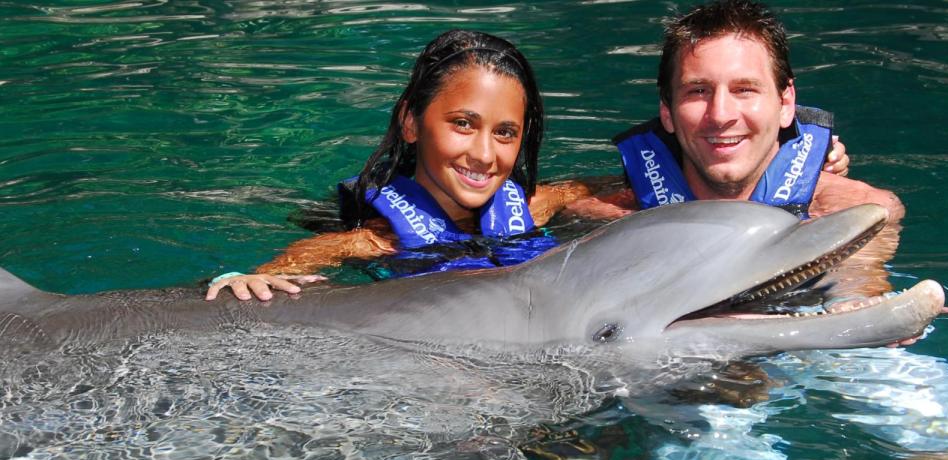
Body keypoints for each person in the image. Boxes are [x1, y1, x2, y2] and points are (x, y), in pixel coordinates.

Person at [207, 22, 849, 301]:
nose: (484, 155)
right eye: (462, 124)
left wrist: (798, 158)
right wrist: (249, 275)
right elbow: (301, 263)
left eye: (506, 134)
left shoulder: (533, 204)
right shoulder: (375, 240)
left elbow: (621, 186)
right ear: (410, 121)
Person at [562, 0, 902, 224]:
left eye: (744, 90)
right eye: (698, 91)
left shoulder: (856, 213)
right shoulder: (610, 214)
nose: (721, 114)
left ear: (786, 104)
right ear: (667, 111)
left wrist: (853, 294)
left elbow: (856, 293)